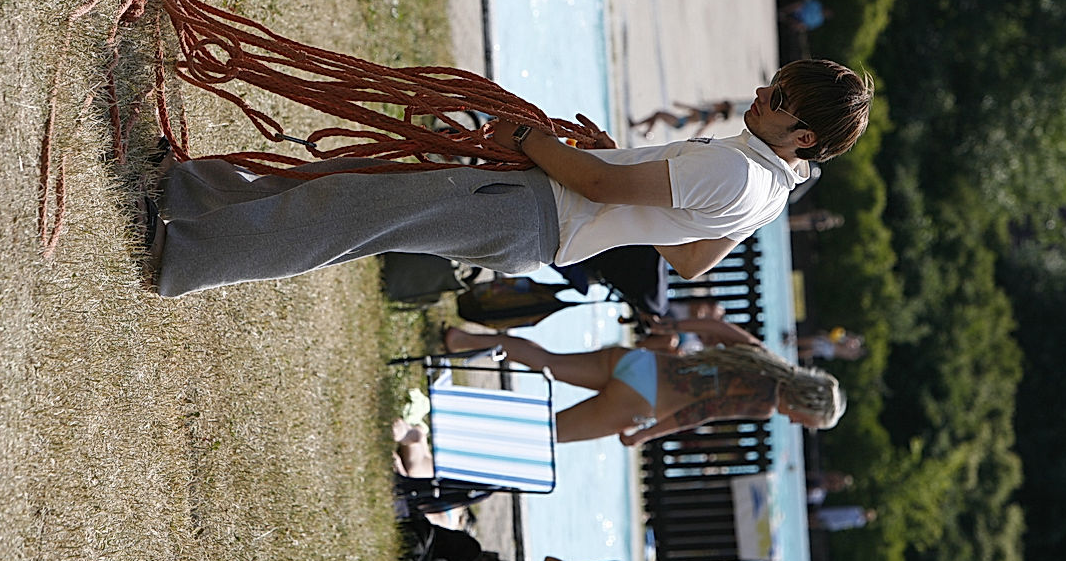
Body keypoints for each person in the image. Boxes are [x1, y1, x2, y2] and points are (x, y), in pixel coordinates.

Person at [143, 59, 873, 296]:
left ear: (805, 137)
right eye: (773, 82)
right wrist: (620, 168)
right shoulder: (768, 194)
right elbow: (689, 259)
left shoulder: (734, 168)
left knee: (349, 212)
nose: (760, 94)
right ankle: (185, 194)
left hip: (530, 208)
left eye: (778, 97)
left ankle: (181, 255)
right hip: (537, 230)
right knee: (355, 185)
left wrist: (528, 139)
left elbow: (596, 189)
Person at [443, 327, 844, 444]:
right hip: (640, 401)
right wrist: (645, 435)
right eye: (805, 420)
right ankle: (460, 431)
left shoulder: (765, 358)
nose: (797, 423)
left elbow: (715, 327)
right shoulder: (764, 403)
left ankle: (461, 340)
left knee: (549, 361)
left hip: (642, 363)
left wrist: (674, 326)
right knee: (548, 435)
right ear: (805, 404)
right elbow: (699, 412)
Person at [629, 100, 736, 139]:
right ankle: (642, 129)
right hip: (681, 120)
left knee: (658, 114)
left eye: (723, 104)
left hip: (680, 123)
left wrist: (694, 138)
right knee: (657, 115)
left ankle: (645, 131)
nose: (720, 102)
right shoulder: (711, 112)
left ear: (723, 108)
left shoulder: (712, 117)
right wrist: (681, 105)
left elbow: (703, 128)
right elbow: (695, 110)